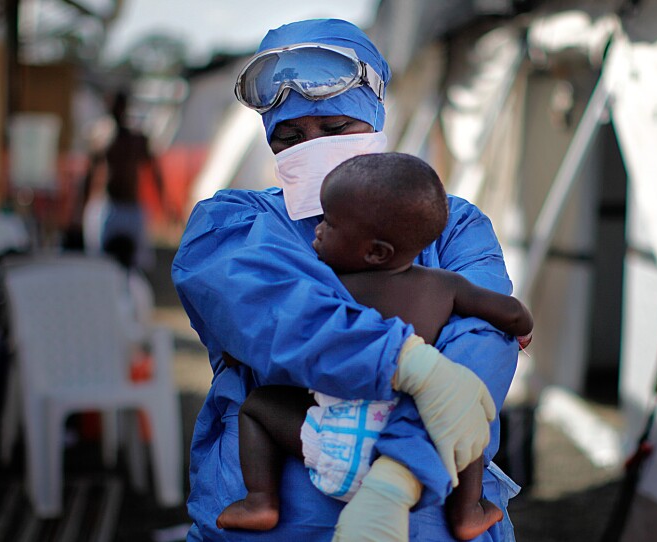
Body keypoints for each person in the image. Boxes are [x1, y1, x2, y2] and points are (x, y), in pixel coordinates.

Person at [172, 18, 521, 541]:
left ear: (376, 116)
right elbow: (280, 323)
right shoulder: (228, 225)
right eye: (289, 136)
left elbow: (484, 349)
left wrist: (396, 474)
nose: (311, 146)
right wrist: (413, 365)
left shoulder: (453, 223)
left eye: (335, 128)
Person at [216, 152, 533, 540]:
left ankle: (261, 499)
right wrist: (520, 328)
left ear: (376, 251)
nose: (316, 230)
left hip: (332, 443)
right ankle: (467, 510)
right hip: (417, 457)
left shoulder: (325, 288)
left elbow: (276, 332)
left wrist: (237, 349)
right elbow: (511, 312)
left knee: (258, 407)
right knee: (466, 417)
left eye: (329, 223)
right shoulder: (445, 286)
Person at [82, 90, 166, 270]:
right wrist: (82, 206)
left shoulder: (136, 140)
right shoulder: (103, 138)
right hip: (109, 205)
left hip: (131, 206)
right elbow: (89, 174)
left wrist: (164, 203)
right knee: (101, 261)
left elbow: (154, 171)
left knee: (135, 263)